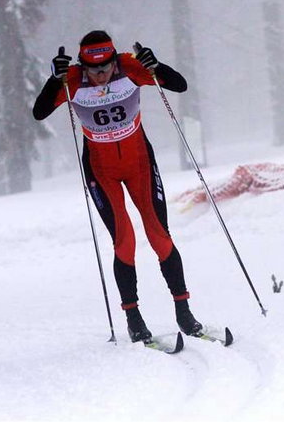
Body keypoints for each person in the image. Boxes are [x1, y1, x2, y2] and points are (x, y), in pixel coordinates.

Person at [32, 30, 203, 342]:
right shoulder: (71, 79)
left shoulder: (130, 66)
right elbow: (39, 111)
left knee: (159, 236)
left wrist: (156, 65)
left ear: (114, 61)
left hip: (139, 163)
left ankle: (184, 310)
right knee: (124, 240)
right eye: (93, 70)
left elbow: (179, 85)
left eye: (106, 68)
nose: (100, 75)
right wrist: (54, 80)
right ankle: (133, 317)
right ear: (82, 66)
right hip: (101, 170)